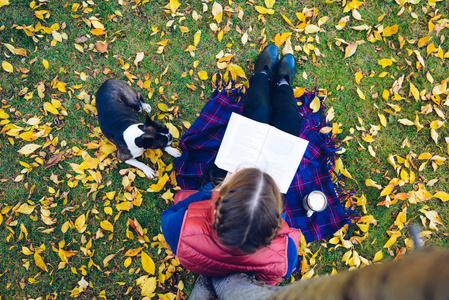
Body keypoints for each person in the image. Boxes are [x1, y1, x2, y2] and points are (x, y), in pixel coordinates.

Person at [161, 45, 303, 286]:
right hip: (245, 198)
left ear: (216, 207)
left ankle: (261, 76)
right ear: (275, 226)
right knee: (290, 120)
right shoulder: (285, 258)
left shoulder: (180, 229)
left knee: (255, 113)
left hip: (214, 191)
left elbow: (172, 212)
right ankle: (283, 84)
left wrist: (209, 193)